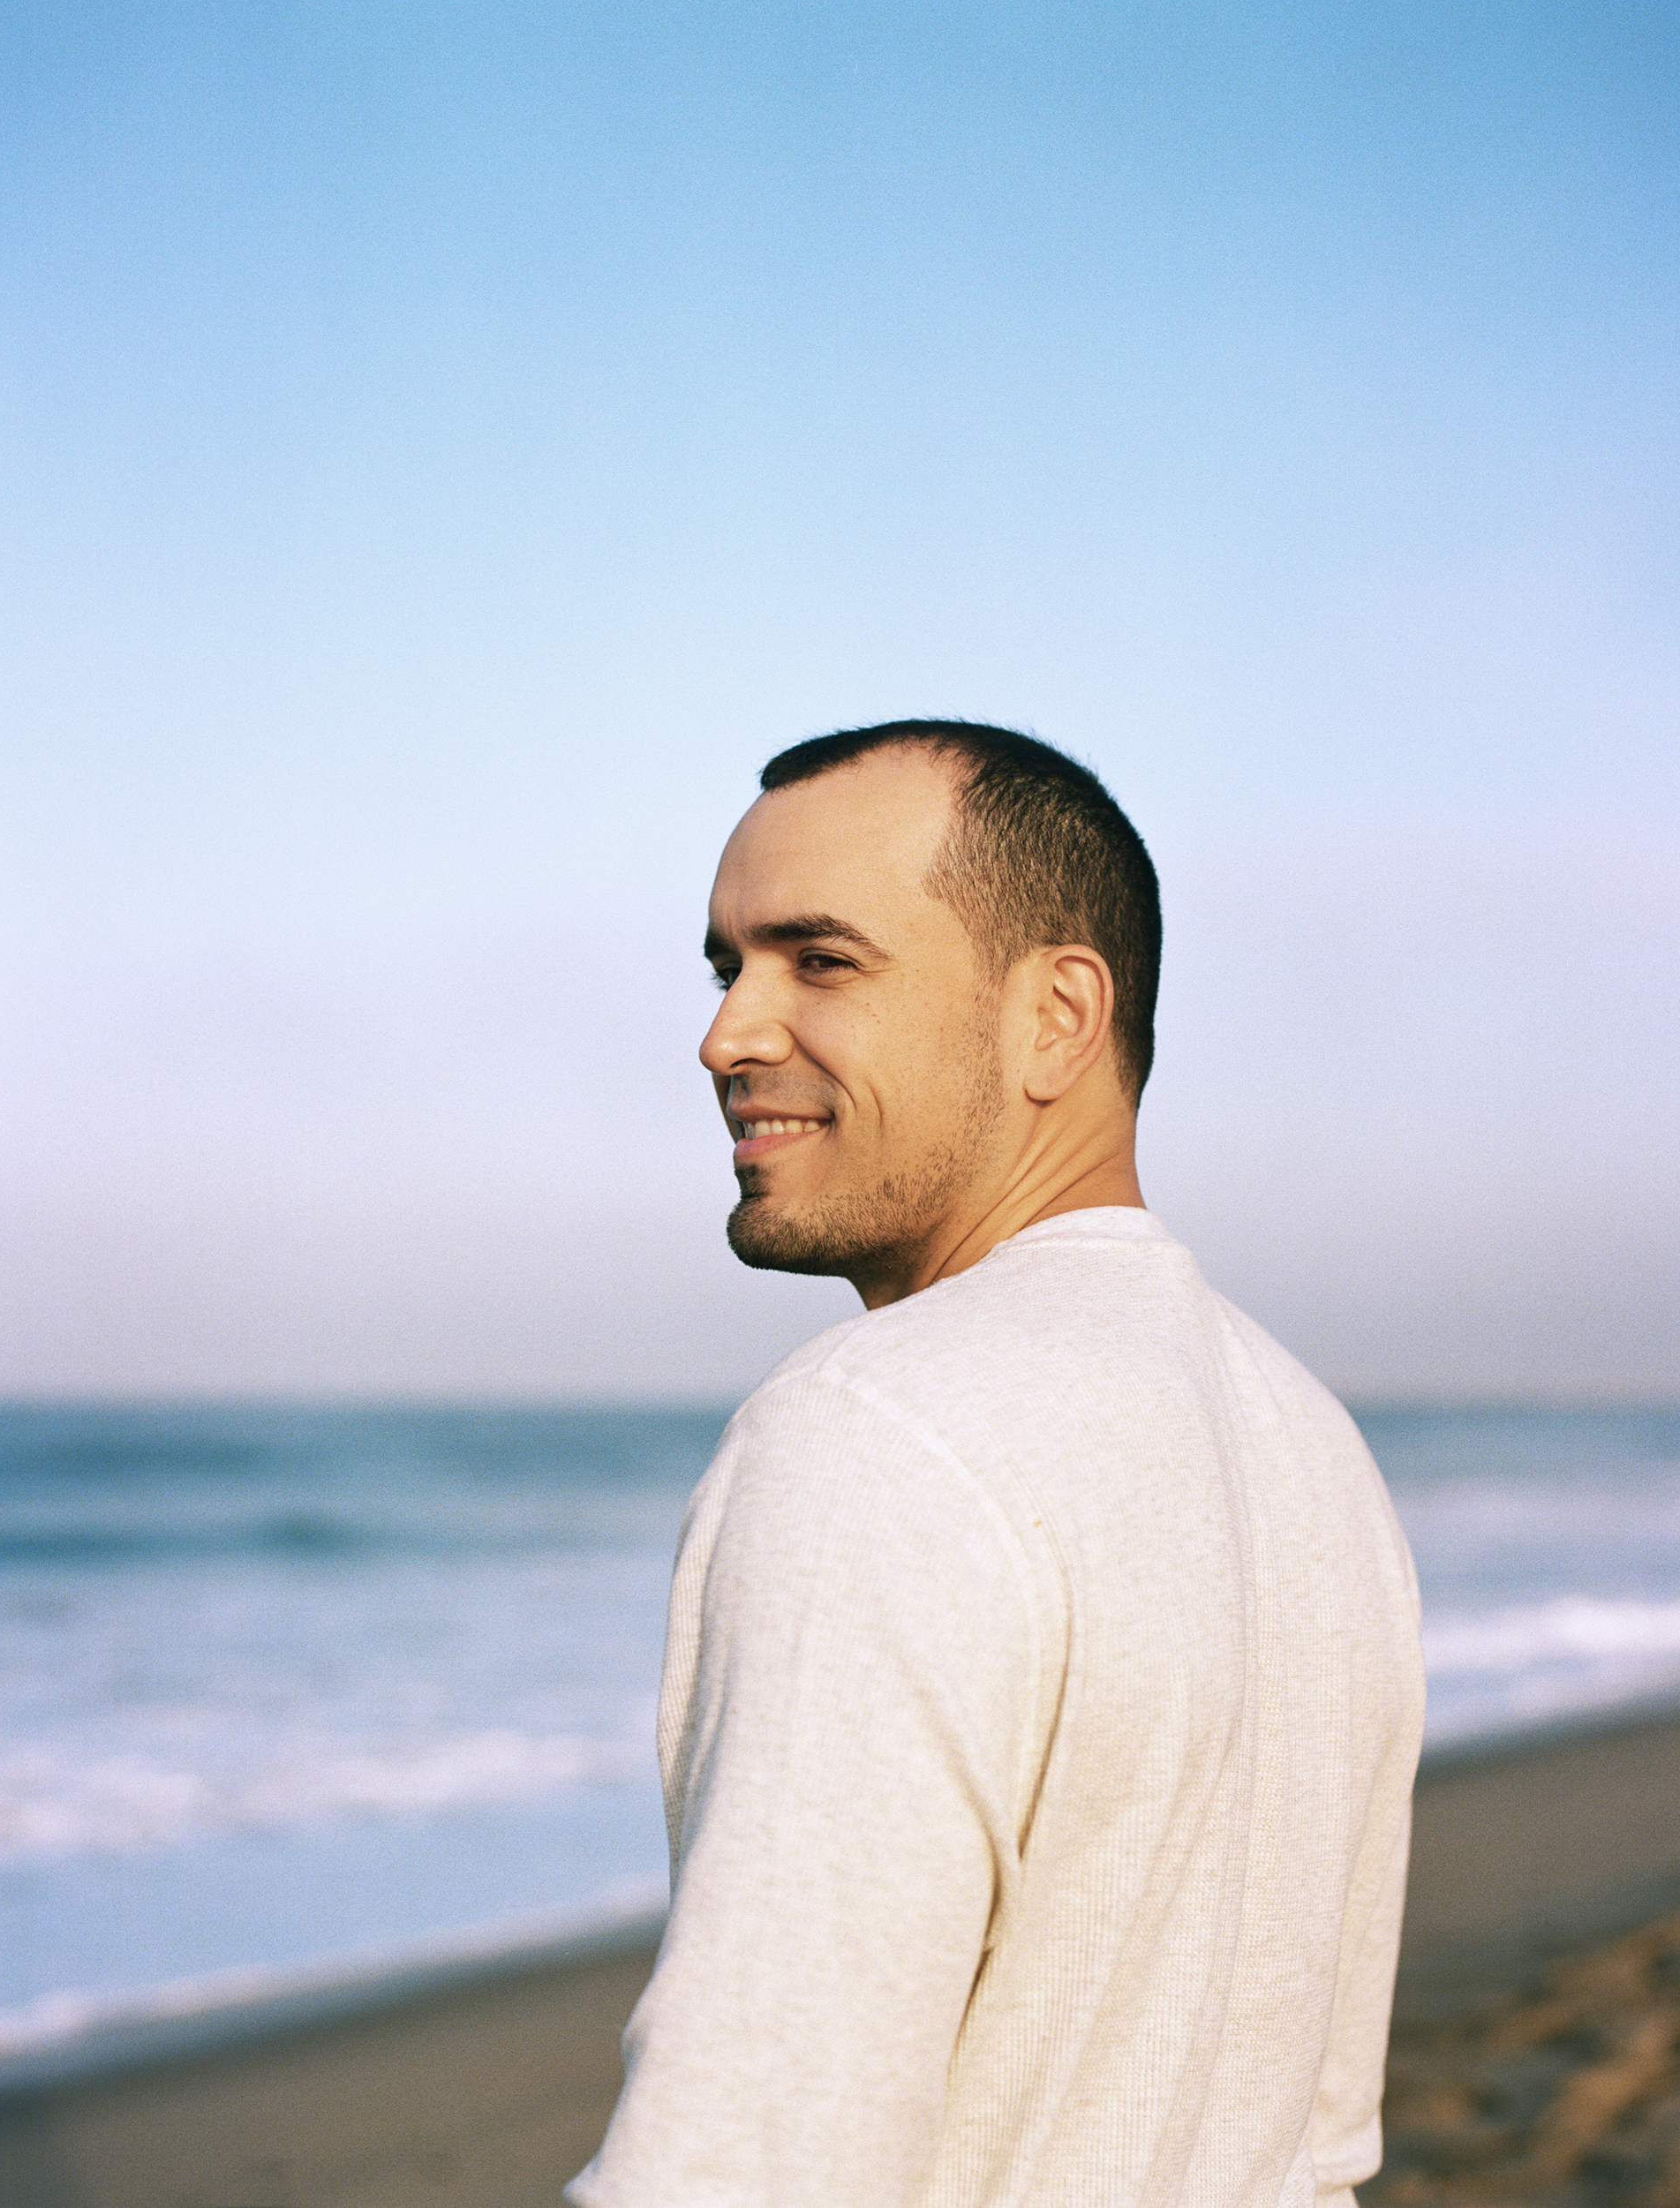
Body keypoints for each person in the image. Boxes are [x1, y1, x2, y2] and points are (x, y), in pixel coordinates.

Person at [567, 722, 1423, 2208]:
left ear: (1057, 1016)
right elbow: (1316, 2154)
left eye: (817, 959)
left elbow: (745, 2172)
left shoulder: (875, 1434)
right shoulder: (1313, 1451)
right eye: (728, 967)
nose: (728, 1034)